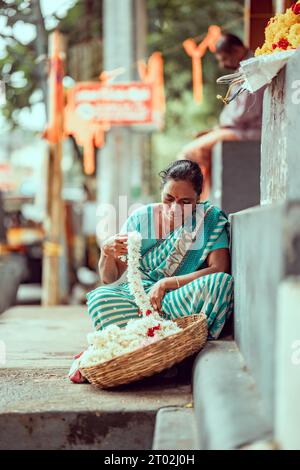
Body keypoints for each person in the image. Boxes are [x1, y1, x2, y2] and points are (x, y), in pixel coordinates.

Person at [86, 160, 234, 341]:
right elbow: (110, 278)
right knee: (100, 298)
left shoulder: (208, 220)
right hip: (141, 297)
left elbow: (219, 269)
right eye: (169, 199)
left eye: (185, 202)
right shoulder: (141, 219)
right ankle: (158, 333)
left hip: (180, 297)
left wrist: (166, 284)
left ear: (198, 200)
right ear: (161, 192)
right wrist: (106, 253)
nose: (174, 209)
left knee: (221, 283)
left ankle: (163, 335)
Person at [178, 33, 265, 199]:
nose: (223, 64)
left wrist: (220, 127)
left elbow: (244, 114)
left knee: (188, 153)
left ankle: (185, 199)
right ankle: (202, 201)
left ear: (237, 50)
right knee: (205, 155)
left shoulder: (252, 69)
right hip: (238, 128)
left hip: (250, 130)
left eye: (224, 58)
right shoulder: (243, 69)